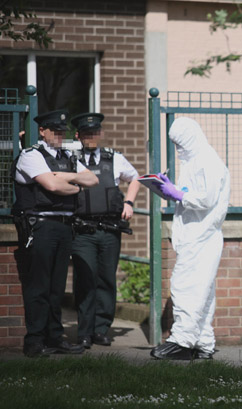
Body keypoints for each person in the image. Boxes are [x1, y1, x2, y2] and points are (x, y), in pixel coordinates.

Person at [11, 109, 99, 358]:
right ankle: (35, 341)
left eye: (62, 132)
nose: (60, 135)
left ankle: (54, 336)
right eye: (55, 131)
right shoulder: (31, 155)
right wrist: (75, 186)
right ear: (42, 131)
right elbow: (50, 185)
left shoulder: (68, 157)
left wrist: (67, 178)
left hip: (64, 226)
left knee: (57, 286)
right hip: (39, 226)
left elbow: (91, 179)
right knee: (38, 285)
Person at [150, 117, 230, 361]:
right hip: (197, 235)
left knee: (186, 289)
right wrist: (174, 189)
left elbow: (205, 199)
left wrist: (177, 194)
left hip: (202, 236)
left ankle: (182, 342)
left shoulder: (207, 161)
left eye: (181, 144)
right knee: (202, 292)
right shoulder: (197, 160)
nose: (179, 150)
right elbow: (193, 194)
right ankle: (204, 343)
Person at [70, 112, 141, 349]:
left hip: (110, 229)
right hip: (83, 230)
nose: (91, 137)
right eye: (86, 133)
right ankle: (84, 331)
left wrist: (129, 203)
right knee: (84, 279)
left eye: (95, 132)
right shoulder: (70, 158)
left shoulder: (114, 158)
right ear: (78, 135)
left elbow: (136, 179)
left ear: (100, 134)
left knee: (106, 280)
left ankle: (101, 330)